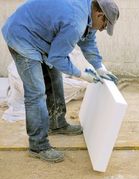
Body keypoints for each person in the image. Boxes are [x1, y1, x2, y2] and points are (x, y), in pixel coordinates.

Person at [1, 0, 119, 163]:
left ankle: (56, 123)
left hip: (40, 33)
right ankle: (38, 145)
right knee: (36, 93)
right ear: (99, 15)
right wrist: (81, 75)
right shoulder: (75, 21)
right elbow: (57, 58)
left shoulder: (88, 13)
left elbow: (88, 41)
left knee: (55, 80)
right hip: (22, 36)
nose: (102, 29)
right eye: (104, 25)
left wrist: (100, 68)